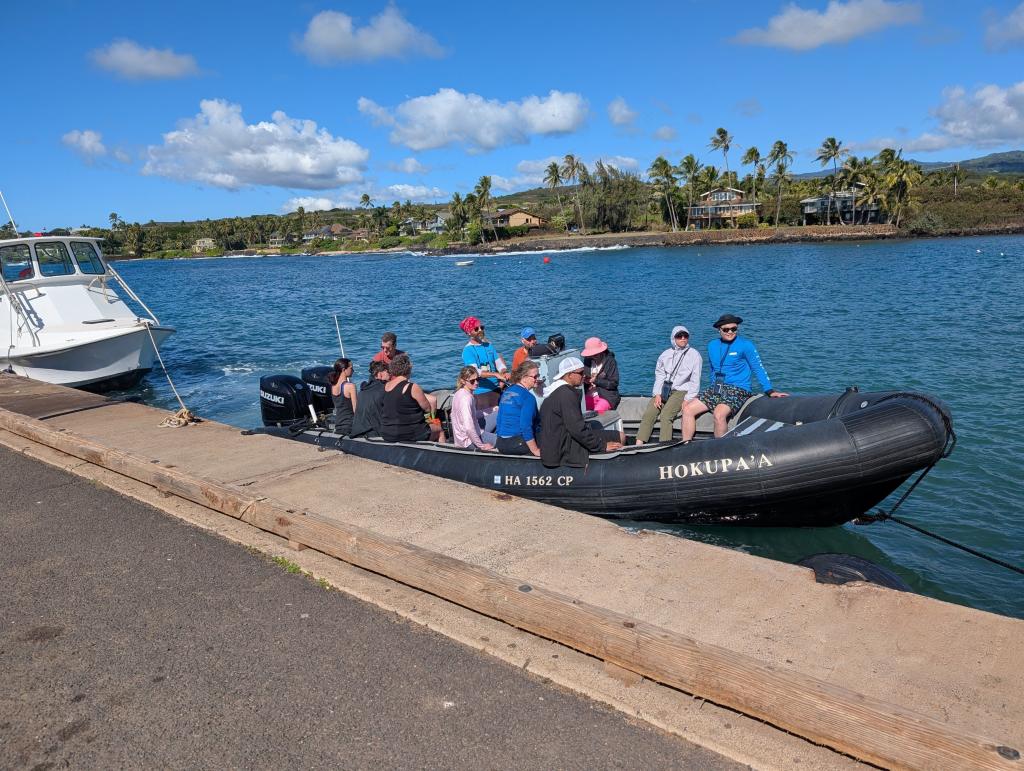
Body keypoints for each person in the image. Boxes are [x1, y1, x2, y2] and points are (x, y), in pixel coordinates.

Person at [681, 314, 789, 440]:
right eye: (726, 329)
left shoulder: (746, 345)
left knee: (719, 414)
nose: (730, 332)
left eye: (734, 329)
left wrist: (769, 391)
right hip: (717, 387)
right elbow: (713, 370)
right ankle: (685, 445)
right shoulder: (712, 345)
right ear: (719, 330)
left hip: (738, 388)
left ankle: (721, 450)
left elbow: (758, 368)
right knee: (688, 409)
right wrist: (711, 389)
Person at [539, 357, 623, 468]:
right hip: (563, 448)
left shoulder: (557, 391)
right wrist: (601, 446)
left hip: (559, 440)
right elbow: (576, 429)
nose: (584, 375)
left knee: (603, 431)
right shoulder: (567, 395)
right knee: (620, 436)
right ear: (569, 375)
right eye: (581, 373)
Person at [635, 326, 702, 444]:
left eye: (685, 336)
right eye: (679, 336)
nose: (683, 338)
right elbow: (660, 375)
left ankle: (664, 445)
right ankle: (638, 444)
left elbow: (695, 381)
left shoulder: (694, 355)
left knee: (666, 415)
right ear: (673, 338)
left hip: (681, 391)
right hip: (665, 389)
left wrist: (688, 399)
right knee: (649, 413)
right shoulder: (665, 354)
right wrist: (657, 394)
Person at [380, 354, 446, 443]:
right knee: (439, 429)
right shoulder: (412, 387)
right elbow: (427, 408)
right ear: (408, 369)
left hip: (387, 432)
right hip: (408, 433)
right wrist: (432, 420)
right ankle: (440, 454)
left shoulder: (386, 386)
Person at [459, 316, 508, 410]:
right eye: (476, 329)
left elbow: (499, 364)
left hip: (496, 388)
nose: (480, 330)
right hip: (481, 392)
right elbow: (475, 372)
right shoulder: (468, 351)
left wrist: (504, 373)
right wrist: (496, 375)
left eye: (482, 327)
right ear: (469, 332)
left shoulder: (489, 346)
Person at [495, 360, 542, 456]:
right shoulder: (528, 397)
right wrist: (535, 450)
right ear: (524, 377)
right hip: (517, 444)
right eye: (535, 377)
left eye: (538, 375)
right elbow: (525, 426)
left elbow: (499, 419)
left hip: (501, 443)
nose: (538, 379)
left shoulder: (507, 391)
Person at [451, 366, 496, 451]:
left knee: (498, 413)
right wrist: (481, 446)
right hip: (468, 441)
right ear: (463, 381)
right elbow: (468, 427)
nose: (476, 383)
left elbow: (473, 415)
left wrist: (492, 410)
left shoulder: (458, 393)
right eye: (472, 381)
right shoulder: (466, 399)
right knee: (502, 441)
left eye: (477, 379)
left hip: (465, 434)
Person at [350, 360, 390, 438]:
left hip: (357, 431)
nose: (390, 374)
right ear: (380, 374)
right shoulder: (384, 389)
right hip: (374, 433)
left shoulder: (363, 389)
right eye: (388, 371)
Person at [581, 336, 620, 412]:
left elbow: (614, 383)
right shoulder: (587, 361)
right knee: (582, 411)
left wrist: (596, 380)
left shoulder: (610, 362)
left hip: (606, 396)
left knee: (598, 412)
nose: (593, 357)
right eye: (590, 355)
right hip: (589, 394)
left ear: (601, 352)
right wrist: (584, 381)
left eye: (595, 355)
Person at [328, 357, 357, 436]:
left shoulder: (333, 386)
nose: (353, 370)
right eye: (351, 368)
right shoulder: (351, 386)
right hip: (350, 425)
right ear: (344, 370)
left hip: (338, 425)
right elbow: (356, 410)